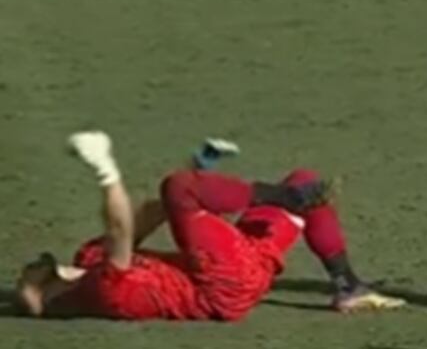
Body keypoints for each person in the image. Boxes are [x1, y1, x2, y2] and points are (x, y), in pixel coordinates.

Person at [13, 131, 405, 320]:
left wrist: (199, 167)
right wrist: (104, 168)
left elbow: (154, 213)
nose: (27, 269)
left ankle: (347, 286)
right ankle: (283, 199)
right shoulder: (100, 291)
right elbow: (121, 227)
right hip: (222, 287)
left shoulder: (88, 258)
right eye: (25, 280)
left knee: (304, 181)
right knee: (179, 188)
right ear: (41, 296)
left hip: (231, 263)